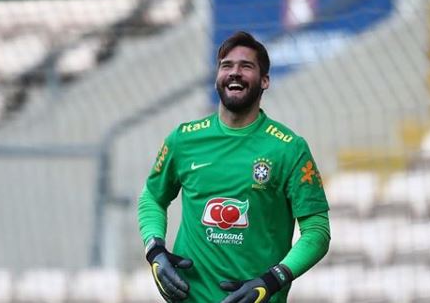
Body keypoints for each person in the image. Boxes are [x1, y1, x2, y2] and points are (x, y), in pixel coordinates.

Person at [137, 31, 330, 303]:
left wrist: (272, 280)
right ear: (217, 77)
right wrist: (155, 250)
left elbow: (317, 233)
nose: (234, 72)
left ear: (265, 81)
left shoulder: (289, 148)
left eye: (246, 66)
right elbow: (152, 197)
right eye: (226, 65)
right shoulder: (184, 139)